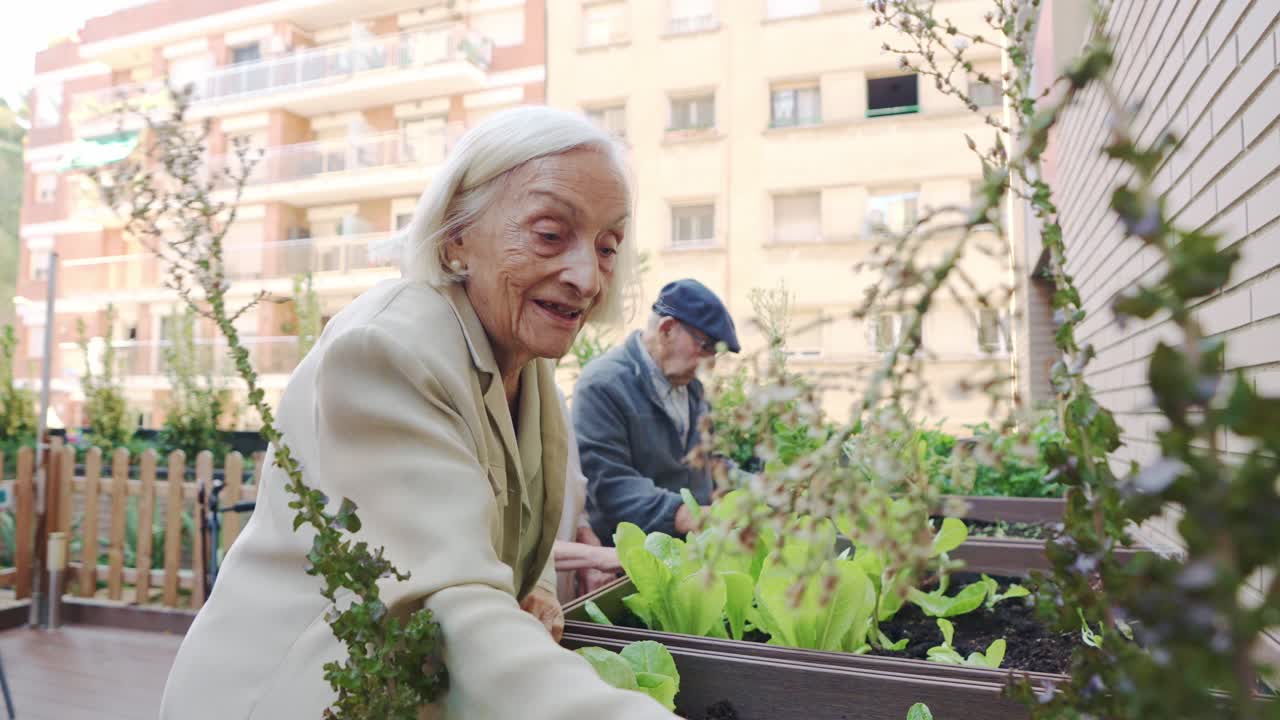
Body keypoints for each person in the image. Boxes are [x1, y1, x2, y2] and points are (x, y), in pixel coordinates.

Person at [159, 107, 678, 720]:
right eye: (549, 234)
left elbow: (494, 532)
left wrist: (533, 590)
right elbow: (449, 606)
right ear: (458, 233)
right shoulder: (388, 349)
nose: (587, 276)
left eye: (607, 246)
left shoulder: (529, 368)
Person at [573, 279, 740, 545]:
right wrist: (689, 516)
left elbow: (707, 462)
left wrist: (762, 489)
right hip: (629, 562)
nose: (710, 365)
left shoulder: (693, 389)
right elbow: (611, 484)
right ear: (667, 329)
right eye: (705, 347)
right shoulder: (603, 384)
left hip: (692, 555)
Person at [551, 388, 621, 602]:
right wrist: (596, 557)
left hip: (561, 597)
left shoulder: (554, 396)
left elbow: (573, 498)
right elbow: (497, 546)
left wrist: (587, 546)